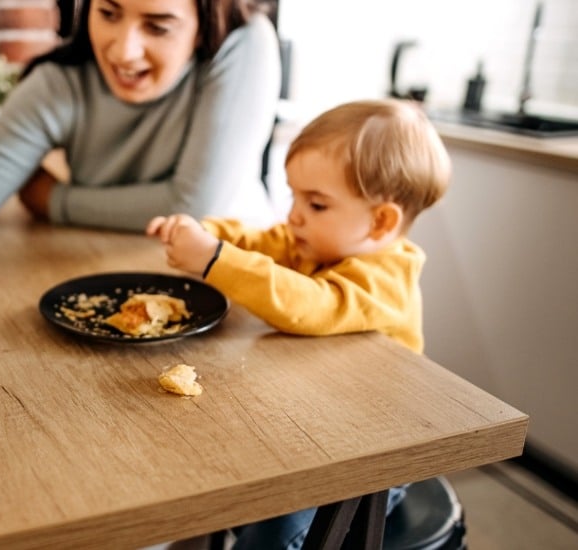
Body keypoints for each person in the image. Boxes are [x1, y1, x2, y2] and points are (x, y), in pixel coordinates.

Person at [147, 98, 451, 548]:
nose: (294, 215)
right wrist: (206, 234)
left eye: (316, 203)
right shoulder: (314, 242)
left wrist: (215, 260)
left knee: (270, 535)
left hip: (370, 463)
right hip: (314, 432)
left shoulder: (388, 278)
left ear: (381, 220)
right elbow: (260, 240)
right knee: (204, 475)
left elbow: (312, 305)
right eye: (293, 195)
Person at [0, 0, 282, 260]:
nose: (123, 50)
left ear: (204, 24)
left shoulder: (245, 44)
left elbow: (192, 206)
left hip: (240, 281)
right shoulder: (59, 82)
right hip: (103, 269)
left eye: (157, 26)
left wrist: (57, 201)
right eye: (108, 12)